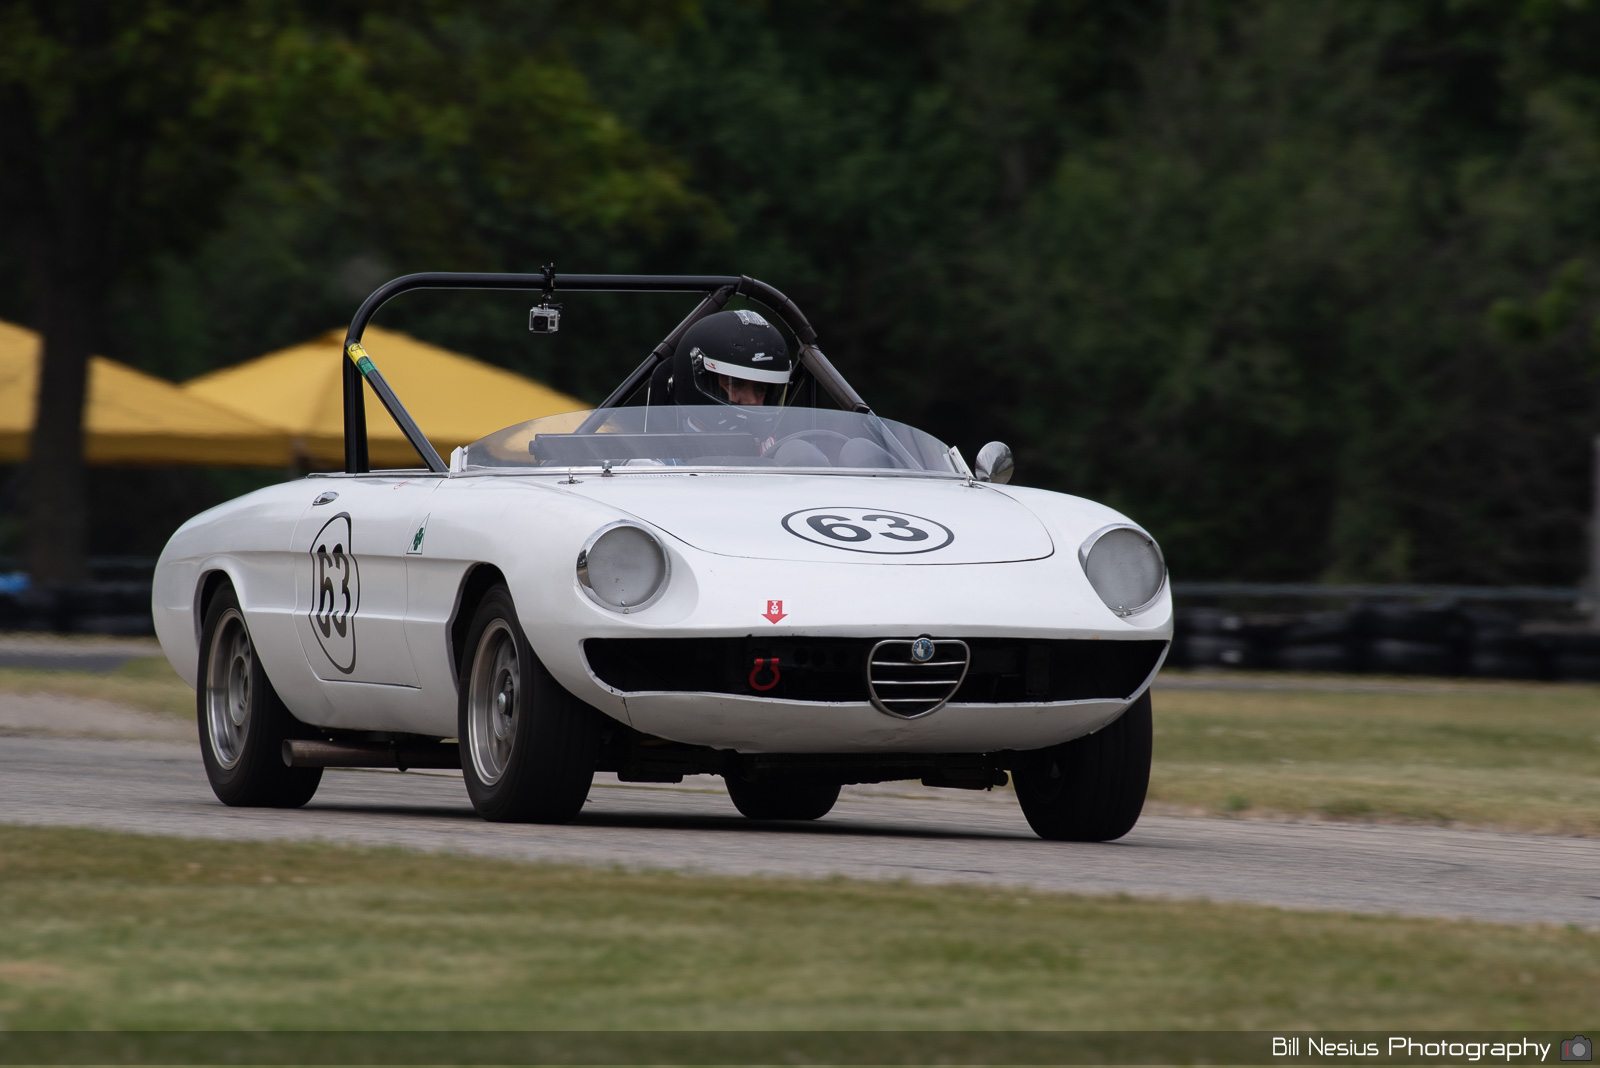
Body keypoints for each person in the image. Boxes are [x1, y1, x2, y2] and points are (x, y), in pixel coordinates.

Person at [651, 308, 794, 412]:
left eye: (760, 389)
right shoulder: (659, 452)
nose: (752, 401)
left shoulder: (783, 450)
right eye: (735, 385)